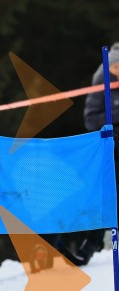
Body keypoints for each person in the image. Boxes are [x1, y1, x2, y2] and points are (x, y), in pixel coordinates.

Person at [76, 42, 119, 264]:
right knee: (103, 198)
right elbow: (90, 120)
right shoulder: (100, 82)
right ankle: (89, 245)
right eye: (117, 67)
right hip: (108, 152)